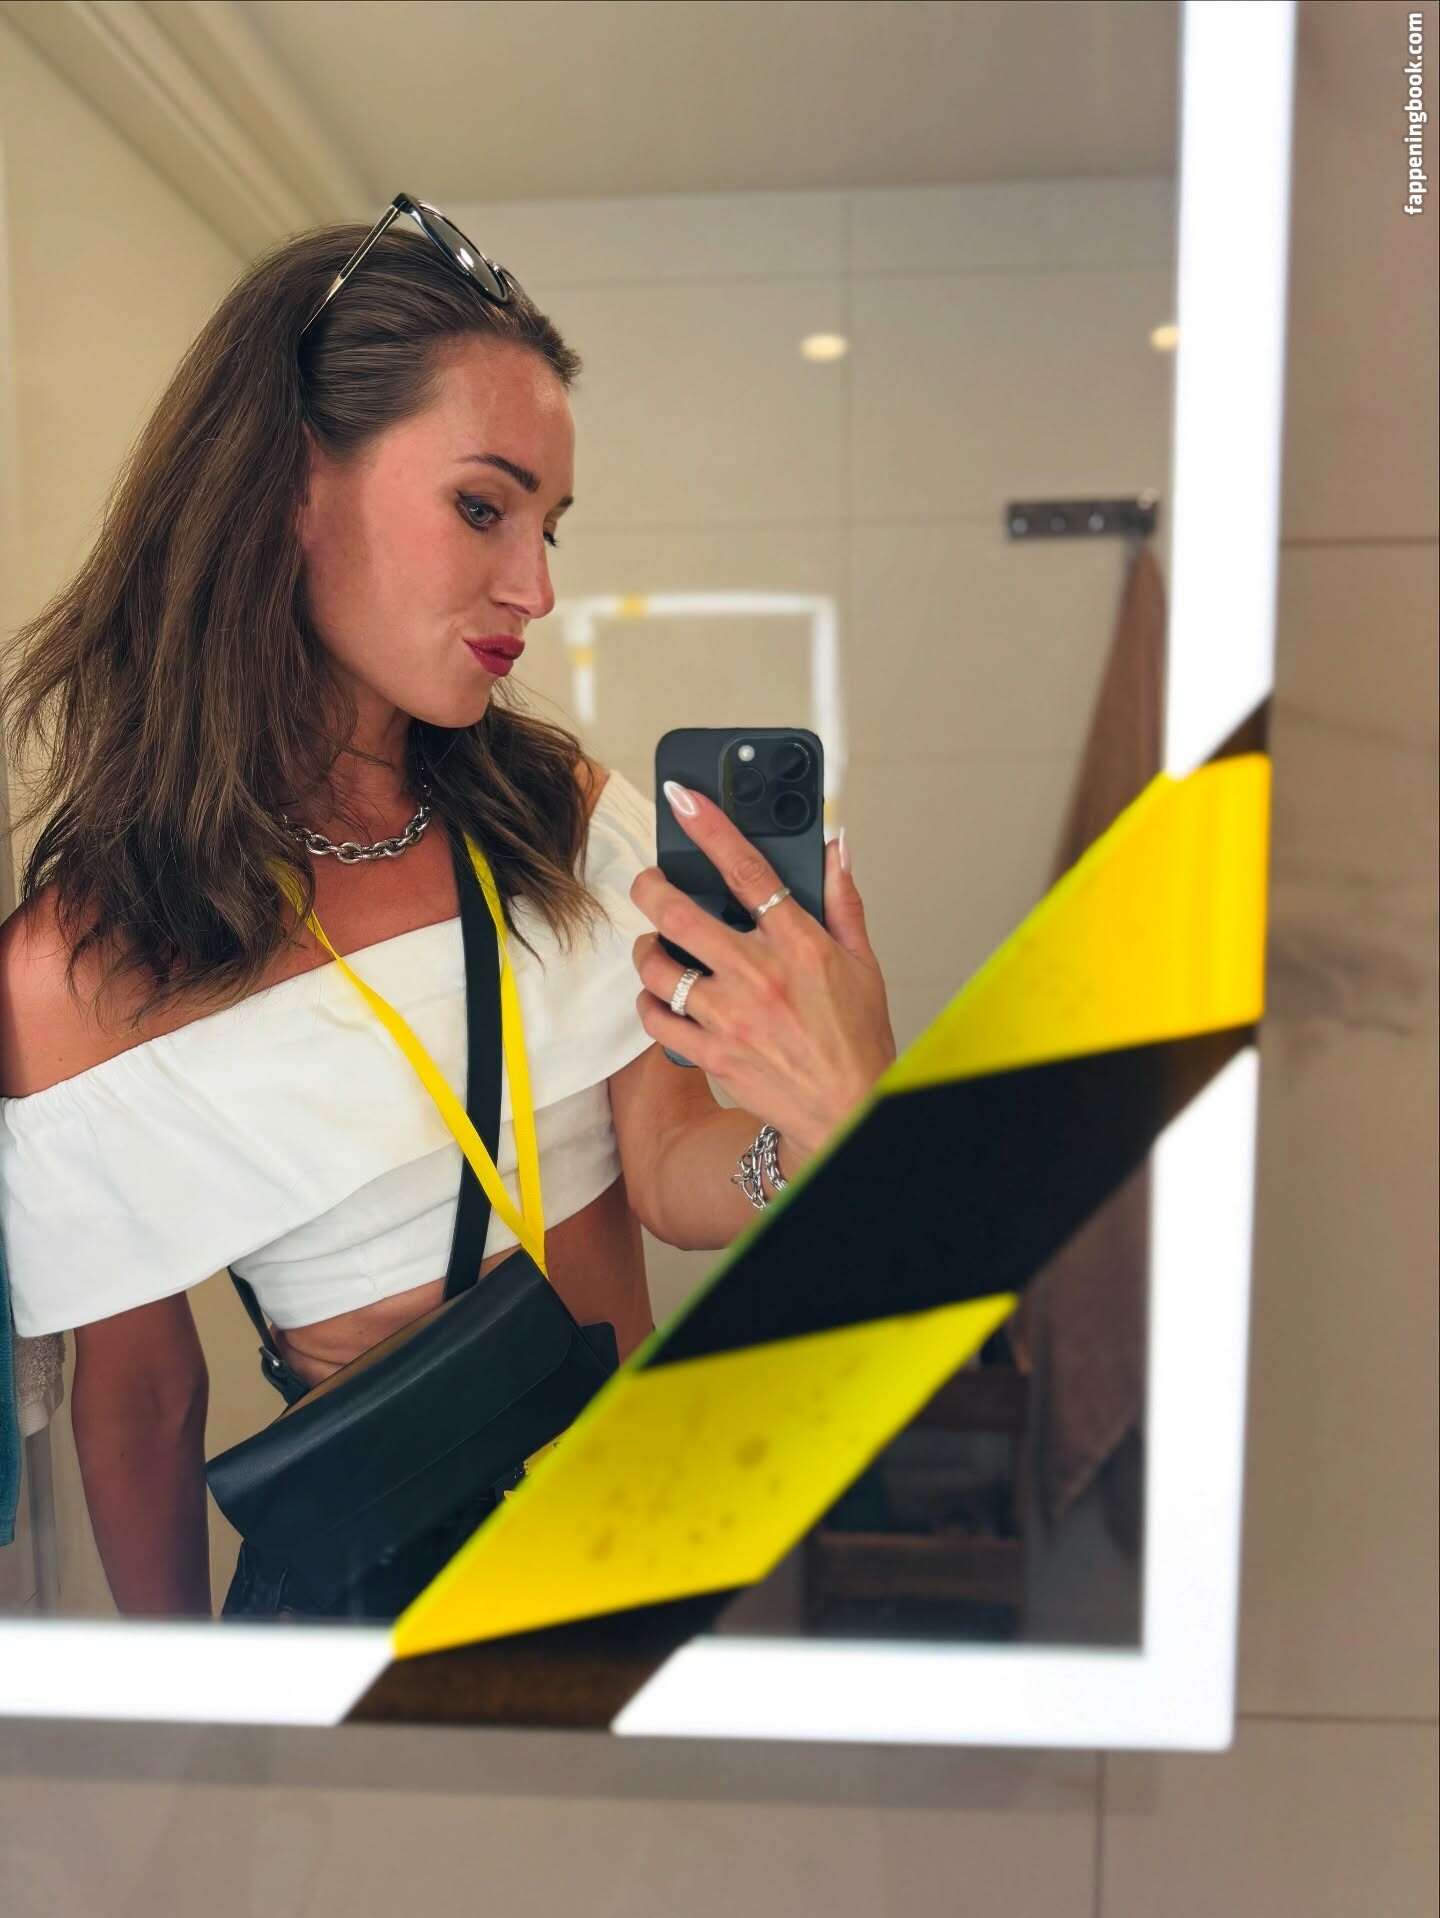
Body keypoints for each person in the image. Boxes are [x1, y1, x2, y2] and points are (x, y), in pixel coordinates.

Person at [0, 201, 896, 1621]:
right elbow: (143, 1401)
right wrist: (185, 1720)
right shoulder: (87, 961)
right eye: (484, 508)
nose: (535, 588)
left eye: (549, 527)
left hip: (637, 1544)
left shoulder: (559, 814)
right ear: (291, 485)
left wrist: (822, 1131)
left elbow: (669, 1176)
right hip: (373, 1611)